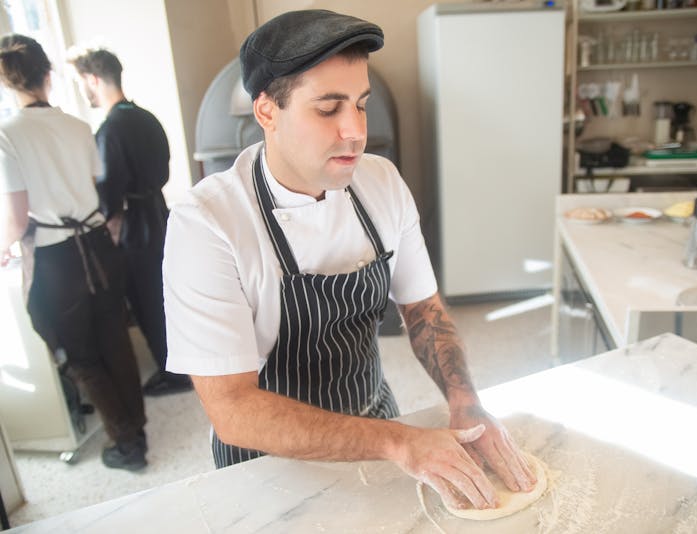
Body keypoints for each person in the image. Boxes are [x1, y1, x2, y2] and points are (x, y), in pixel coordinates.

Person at [163, 10, 535, 511]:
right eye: (328, 109)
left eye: (360, 105)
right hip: (265, 464)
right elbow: (233, 409)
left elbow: (424, 311)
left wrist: (465, 400)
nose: (355, 131)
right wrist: (399, 441)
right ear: (267, 111)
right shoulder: (207, 223)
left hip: (376, 420)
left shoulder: (381, 183)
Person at [0, 34, 147, 470]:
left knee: (79, 354)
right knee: (115, 341)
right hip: (99, 245)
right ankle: (134, 427)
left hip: (57, 259)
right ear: (48, 75)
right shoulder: (80, 126)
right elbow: (97, 186)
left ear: (8, 83)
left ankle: (127, 444)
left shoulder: (7, 134)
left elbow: (18, 219)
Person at [67, 48, 191, 396]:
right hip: (160, 214)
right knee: (165, 295)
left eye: (81, 83)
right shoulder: (146, 117)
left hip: (135, 226)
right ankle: (181, 363)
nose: (83, 91)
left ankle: (176, 373)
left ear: (93, 79)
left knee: (147, 300)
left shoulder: (110, 130)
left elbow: (109, 190)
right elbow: (164, 170)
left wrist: (108, 221)